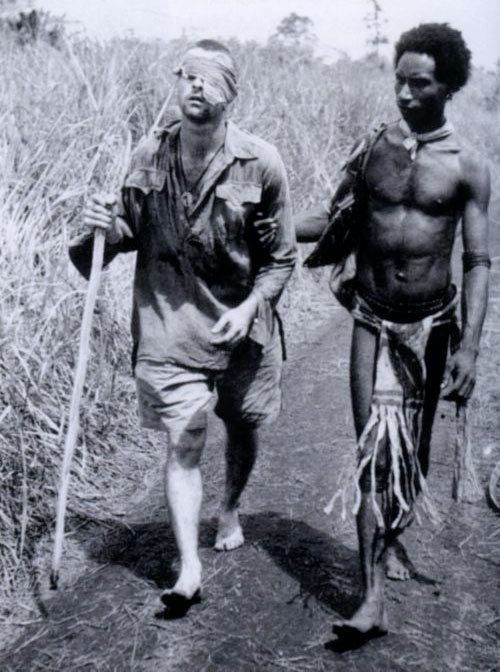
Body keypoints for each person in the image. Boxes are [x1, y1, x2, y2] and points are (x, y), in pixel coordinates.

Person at [71, 39, 296, 617]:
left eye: (210, 77)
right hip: (170, 323)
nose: (197, 86)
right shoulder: (148, 155)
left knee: (242, 424)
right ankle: (189, 566)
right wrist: (101, 228)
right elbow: (118, 238)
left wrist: (251, 308)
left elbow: (282, 259)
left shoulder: (261, 162)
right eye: (188, 75)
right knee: (185, 439)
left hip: (241, 325)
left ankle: (230, 506)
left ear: (231, 93)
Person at [295, 23, 490, 640]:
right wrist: (265, 223)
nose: (405, 94)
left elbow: (478, 261)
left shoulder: (468, 166)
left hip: (431, 326)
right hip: (371, 318)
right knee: (373, 456)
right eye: (399, 81)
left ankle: (393, 535)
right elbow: (330, 218)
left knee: (413, 456)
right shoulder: (372, 149)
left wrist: (470, 347)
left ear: (448, 86)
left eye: (420, 83)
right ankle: (371, 597)